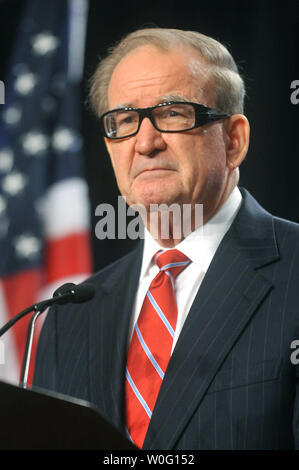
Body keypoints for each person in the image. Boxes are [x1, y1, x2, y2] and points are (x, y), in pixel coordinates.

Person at [33, 27, 299, 450]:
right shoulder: (68, 315)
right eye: (122, 121)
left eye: (173, 113)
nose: (144, 142)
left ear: (234, 141)